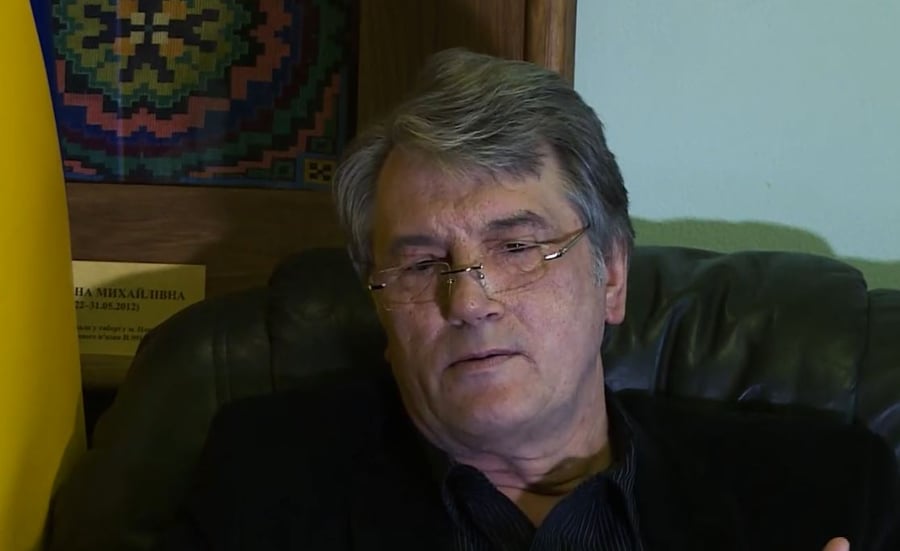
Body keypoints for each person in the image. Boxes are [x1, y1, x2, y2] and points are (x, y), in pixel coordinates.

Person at [157, 49, 899, 550]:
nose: (468, 301)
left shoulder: (821, 494)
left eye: (516, 247)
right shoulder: (264, 483)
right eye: (421, 264)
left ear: (612, 274)